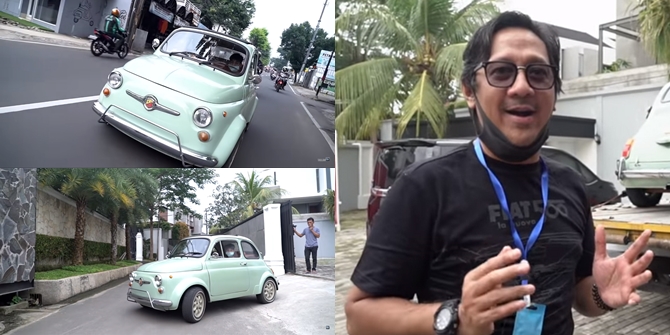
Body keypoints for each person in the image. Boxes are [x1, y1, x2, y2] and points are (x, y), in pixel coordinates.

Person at [344, 11, 654, 335]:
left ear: (555, 94)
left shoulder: (570, 185)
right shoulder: (424, 187)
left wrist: (601, 295)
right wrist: (458, 316)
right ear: (469, 90)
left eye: (539, 73)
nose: (522, 87)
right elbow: (359, 317)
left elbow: (578, 291)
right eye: (502, 71)